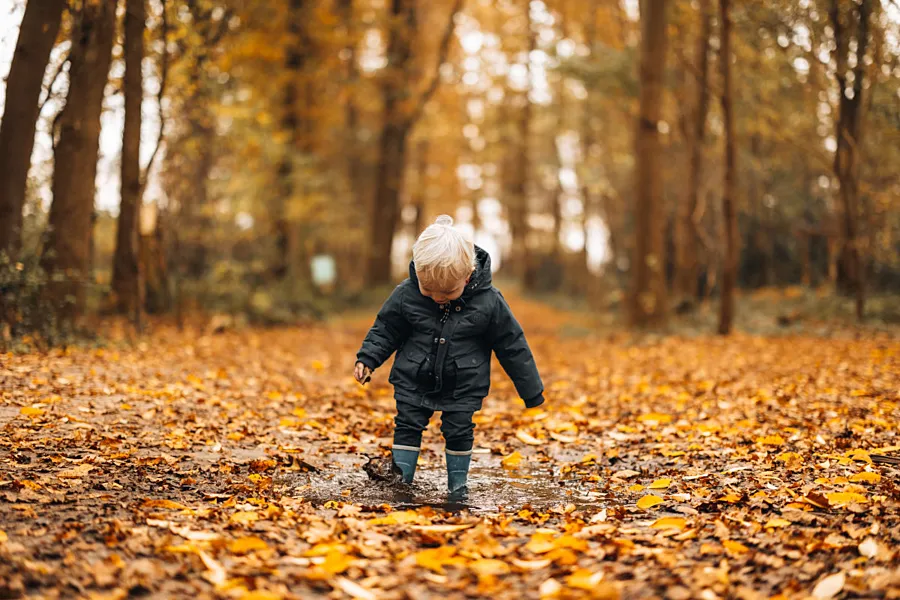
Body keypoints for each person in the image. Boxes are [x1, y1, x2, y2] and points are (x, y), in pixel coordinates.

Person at [354, 215, 544, 493]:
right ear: (417, 272)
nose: (437, 298)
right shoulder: (406, 294)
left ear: (468, 277)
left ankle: (458, 487)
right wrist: (367, 358)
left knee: (459, 430)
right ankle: (400, 482)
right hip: (413, 375)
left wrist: (531, 391)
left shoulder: (490, 303)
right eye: (427, 290)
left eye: (448, 291)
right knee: (407, 423)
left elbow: (512, 344)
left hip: (464, 383)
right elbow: (386, 328)